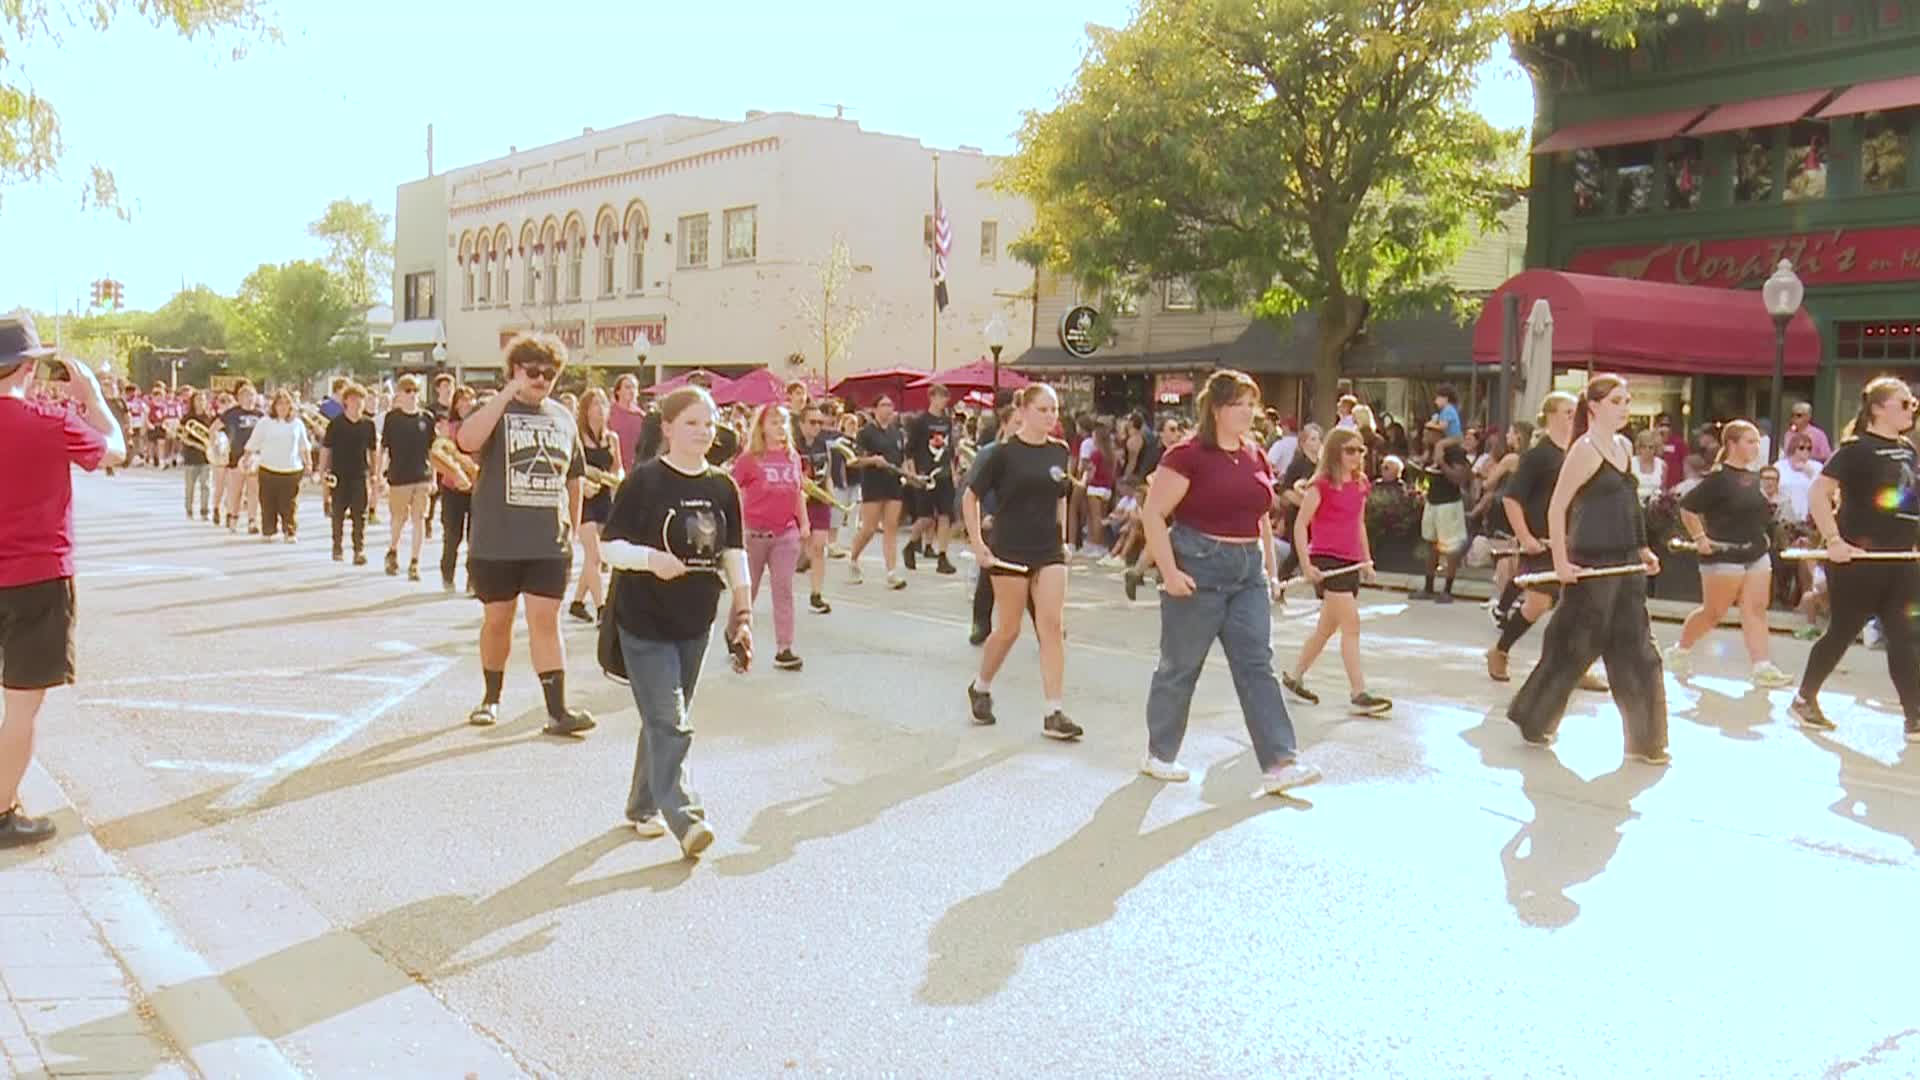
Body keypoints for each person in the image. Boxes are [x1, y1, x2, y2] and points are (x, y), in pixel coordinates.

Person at [1138, 370, 1319, 793]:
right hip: (1199, 565)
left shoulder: (1254, 454)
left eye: (1250, 404)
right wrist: (1168, 571)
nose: (1247, 412)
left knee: (1257, 665)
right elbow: (1153, 514)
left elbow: (1261, 517)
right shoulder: (1186, 456)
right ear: (1216, 409)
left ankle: (1280, 762)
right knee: (1180, 666)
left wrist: (1271, 572)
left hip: (1247, 571)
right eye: (1238, 404)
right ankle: (1160, 753)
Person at [600, 385, 752, 859]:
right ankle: (685, 817)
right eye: (691, 423)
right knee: (671, 721)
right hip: (643, 620)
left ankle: (642, 804)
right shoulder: (644, 481)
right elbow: (609, 547)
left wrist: (743, 616)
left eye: (709, 424)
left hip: (696, 621)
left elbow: (734, 554)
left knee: (664, 717)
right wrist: (650, 559)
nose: (703, 432)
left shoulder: (722, 487)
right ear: (667, 428)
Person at [0, 314, 124, 848]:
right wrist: (94, 395)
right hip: (37, 576)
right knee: (22, 706)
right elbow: (114, 448)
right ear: (28, 367)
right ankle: (2, 810)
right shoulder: (49, 422)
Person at [1508, 375, 1668, 764]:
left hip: (1626, 562)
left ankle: (1647, 741)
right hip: (1590, 561)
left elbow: (1631, 503)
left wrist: (1643, 546)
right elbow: (1556, 507)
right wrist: (1561, 562)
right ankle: (1533, 717)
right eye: (1616, 401)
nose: (1625, 407)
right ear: (1594, 407)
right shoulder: (1583, 449)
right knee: (1573, 646)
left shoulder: (1624, 447)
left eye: (1627, 400)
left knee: (1638, 651)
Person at [455, 333, 594, 736]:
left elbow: (574, 479)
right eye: (533, 372)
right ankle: (491, 697)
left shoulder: (563, 418)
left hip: (547, 543)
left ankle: (557, 710)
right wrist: (505, 394)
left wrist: (570, 526)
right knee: (498, 619)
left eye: (550, 374)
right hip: (497, 541)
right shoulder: (493, 411)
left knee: (545, 620)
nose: (542, 380)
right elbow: (467, 441)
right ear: (515, 371)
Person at [1789, 376, 1920, 737]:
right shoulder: (1855, 449)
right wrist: (1834, 540)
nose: (1912, 408)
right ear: (1878, 408)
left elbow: (1908, 501)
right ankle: (1804, 698)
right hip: (1860, 558)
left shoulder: (1908, 448)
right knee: (1843, 631)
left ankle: (1915, 716)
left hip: (1901, 558)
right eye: (1904, 402)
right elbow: (1820, 493)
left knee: (1904, 634)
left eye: (1913, 403)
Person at [963, 384, 1081, 740]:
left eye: (1054, 410)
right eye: (1043, 409)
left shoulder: (1059, 452)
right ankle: (981, 686)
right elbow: (970, 498)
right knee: (1009, 629)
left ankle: (1054, 711)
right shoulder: (1002, 453)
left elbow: (1061, 496)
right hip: (1010, 549)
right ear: (1024, 411)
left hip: (1048, 549)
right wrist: (979, 544)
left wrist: (1063, 539)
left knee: (1051, 627)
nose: (1050, 417)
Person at [1486, 393, 1609, 689]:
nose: (1572, 416)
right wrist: (1526, 537)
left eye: (1574, 412)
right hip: (1542, 542)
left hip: (1574, 541)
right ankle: (1500, 650)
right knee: (1538, 603)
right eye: (1567, 411)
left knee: (1582, 606)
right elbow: (1511, 500)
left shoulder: (1580, 451)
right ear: (1550, 415)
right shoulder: (1537, 456)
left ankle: (1575, 667)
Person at [1663, 419, 1794, 688]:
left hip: (1756, 551)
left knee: (1756, 609)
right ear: (1732, 444)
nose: (1755, 447)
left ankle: (1762, 667)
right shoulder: (1718, 478)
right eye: (1749, 441)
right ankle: (1680, 650)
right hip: (1724, 554)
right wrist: (1699, 537)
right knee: (1713, 613)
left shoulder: (1756, 477)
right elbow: (1687, 508)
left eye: (1758, 441)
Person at [1283, 426, 1392, 716]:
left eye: (1361, 450)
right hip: (1326, 560)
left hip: (1350, 561)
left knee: (1325, 629)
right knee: (1351, 625)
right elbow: (1300, 524)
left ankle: (1294, 677)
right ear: (1335, 452)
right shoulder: (1320, 485)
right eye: (1350, 450)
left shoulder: (1361, 484)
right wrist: (1306, 565)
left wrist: (1366, 559)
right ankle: (1358, 693)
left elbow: (1359, 524)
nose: (1357, 456)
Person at [731, 403, 809, 670]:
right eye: (774, 422)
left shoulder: (792, 457)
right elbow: (733, 489)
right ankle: (735, 633)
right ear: (762, 427)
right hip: (754, 533)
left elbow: (798, 492)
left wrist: (804, 524)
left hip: (785, 532)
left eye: (783, 422)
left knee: (783, 589)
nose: (780, 428)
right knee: (748, 589)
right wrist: (735, 526)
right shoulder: (750, 459)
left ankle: (784, 647)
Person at [568, 388, 623, 623]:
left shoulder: (612, 438)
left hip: (603, 497)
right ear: (585, 409)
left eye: (603, 404)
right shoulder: (577, 436)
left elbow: (617, 466)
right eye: (594, 404)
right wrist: (583, 482)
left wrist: (616, 478)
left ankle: (578, 602)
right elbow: (569, 469)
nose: (600, 409)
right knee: (594, 555)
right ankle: (602, 608)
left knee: (595, 557)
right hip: (583, 498)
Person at [847, 395, 909, 589]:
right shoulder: (866, 433)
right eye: (883, 405)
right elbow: (855, 459)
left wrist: (908, 474)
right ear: (874, 409)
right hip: (873, 483)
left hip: (893, 483)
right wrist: (873, 460)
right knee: (869, 528)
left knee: (891, 527)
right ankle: (853, 558)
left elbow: (902, 458)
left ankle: (891, 572)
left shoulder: (897, 433)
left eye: (890, 405)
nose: (888, 409)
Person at [380, 375, 437, 581]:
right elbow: (384, 448)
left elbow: (432, 450)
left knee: (419, 519)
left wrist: (434, 478)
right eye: (408, 391)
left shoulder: (427, 418)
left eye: (415, 391)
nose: (412, 395)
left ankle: (415, 561)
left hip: (422, 475)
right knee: (398, 518)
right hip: (399, 476)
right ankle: (393, 549)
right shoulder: (392, 419)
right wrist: (379, 474)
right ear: (400, 394)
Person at [1411, 420, 1471, 602]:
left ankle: (1448, 589)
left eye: (1427, 433)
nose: (1424, 437)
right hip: (1432, 503)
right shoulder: (1429, 451)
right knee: (1431, 544)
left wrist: (1442, 463)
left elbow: (1459, 479)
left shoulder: (1453, 453)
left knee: (1450, 547)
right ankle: (1429, 587)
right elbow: (1428, 477)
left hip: (1449, 505)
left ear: (1437, 434)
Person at [903, 385, 958, 574]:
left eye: (946, 396)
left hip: (944, 474)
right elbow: (909, 450)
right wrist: (912, 473)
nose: (944, 400)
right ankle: (911, 544)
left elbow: (950, 449)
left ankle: (942, 555)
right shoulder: (920, 422)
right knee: (925, 517)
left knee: (945, 515)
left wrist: (953, 472)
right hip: (926, 473)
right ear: (932, 397)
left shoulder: (947, 421)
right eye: (941, 396)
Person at [320, 383, 377, 565]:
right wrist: (323, 472)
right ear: (346, 401)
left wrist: (375, 472)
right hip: (339, 474)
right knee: (338, 512)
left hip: (359, 474)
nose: (357, 403)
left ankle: (358, 549)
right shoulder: (336, 424)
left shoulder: (368, 425)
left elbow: (373, 450)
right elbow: (326, 449)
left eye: (360, 399)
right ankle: (337, 546)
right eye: (353, 399)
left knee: (359, 514)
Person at [244, 390, 310, 544]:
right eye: (280, 404)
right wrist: (246, 458)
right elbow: (254, 442)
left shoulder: (297, 423)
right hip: (268, 468)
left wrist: (308, 463)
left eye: (286, 404)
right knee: (268, 501)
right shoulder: (265, 422)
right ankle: (268, 529)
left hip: (291, 469)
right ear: (274, 406)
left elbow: (304, 445)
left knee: (289, 503)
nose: (283, 407)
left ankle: (290, 530)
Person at [795, 402, 840, 614]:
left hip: (819, 498)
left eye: (820, 423)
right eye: (812, 422)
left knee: (819, 546)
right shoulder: (793, 444)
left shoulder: (823, 443)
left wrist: (830, 494)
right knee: (799, 546)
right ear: (801, 423)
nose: (816, 426)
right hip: (799, 499)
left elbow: (828, 471)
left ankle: (816, 594)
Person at [434, 386, 478, 590]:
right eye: (460, 401)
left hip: (476, 488)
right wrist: (456, 472)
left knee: (475, 536)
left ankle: (473, 579)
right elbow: (440, 453)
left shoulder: (482, 427)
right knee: (452, 534)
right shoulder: (449, 428)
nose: (465, 404)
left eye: (469, 400)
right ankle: (447, 574)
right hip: (452, 488)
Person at [218, 381, 265, 534]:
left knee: (254, 490)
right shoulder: (232, 414)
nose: (249, 398)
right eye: (245, 396)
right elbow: (214, 428)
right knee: (235, 490)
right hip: (236, 456)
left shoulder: (261, 415)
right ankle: (233, 518)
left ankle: (252, 521)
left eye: (252, 395)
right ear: (239, 398)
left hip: (255, 457)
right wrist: (217, 444)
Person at [181, 389, 217, 521]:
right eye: (198, 399)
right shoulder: (187, 419)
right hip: (191, 456)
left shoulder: (210, 418)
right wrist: (197, 445)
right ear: (193, 402)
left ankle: (204, 510)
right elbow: (183, 437)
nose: (201, 402)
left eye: (203, 399)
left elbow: (213, 436)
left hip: (206, 457)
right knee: (190, 486)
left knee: (205, 485)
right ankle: (189, 510)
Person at [608, 374, 646, 473]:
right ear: (618, 391)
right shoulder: (609, 414)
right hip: (613, 469)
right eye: (627, 387)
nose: (631, 391)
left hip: (636, 470)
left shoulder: (642, 417)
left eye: (634, 387)